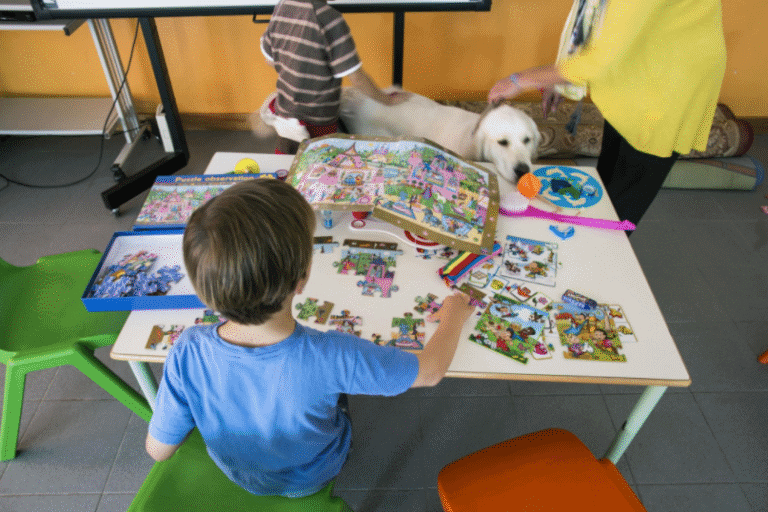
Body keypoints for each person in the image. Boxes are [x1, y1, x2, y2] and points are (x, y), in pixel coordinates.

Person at [144, 178, 475, 498]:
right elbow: (430, 372)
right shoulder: (331, 355)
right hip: (310, 475)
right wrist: (453, 316)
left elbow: (157, 451)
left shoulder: (187, 350)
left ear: (204, 293)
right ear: (302, 279)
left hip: (239, 473)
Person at [488, 0, 727, 231]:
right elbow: (591, 18)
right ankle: (593, 227)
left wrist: (519, 80)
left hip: (669, 85)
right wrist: (556, 78)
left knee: (621, 204)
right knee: (603, 186)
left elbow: (598, 60)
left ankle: (605, 247)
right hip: (637, 68)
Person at [260, 0, 409, 154]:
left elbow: (270, 59)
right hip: (318, 119)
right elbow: (357, 78)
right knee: (322, 167)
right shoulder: (329, 19)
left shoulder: (283, 6)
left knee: (288, 163)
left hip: (284, 112)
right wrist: (388, 100)